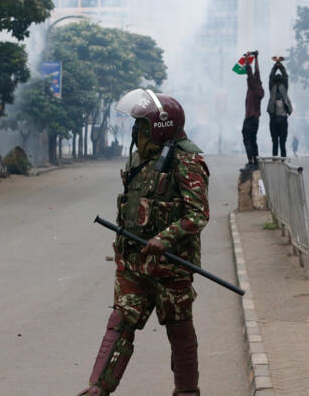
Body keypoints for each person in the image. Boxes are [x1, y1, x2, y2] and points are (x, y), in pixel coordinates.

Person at [78, 89, 209, 396]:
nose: (136, 132)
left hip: (171, 268)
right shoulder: (139, 160)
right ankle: (98, 388)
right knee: (119, 323)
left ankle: (187, 392)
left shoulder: (187, 161)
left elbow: (198, 215)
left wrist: (165, 239)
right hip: (133, 263)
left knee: (179, 330)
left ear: (160, 127)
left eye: (142, 126)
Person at [242, 51, 264, 169]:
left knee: (246, 138)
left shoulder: (253, 87)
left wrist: (246, 58)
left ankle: (250, 161)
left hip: (250, 117)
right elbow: (257, 72)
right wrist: (256, 58)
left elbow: (249, 72)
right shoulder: (259, 88)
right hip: (256, 118)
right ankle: (256, 160)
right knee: (253, 139)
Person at [267, 57, 292, 157]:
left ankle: (280, 159)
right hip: (276, 118)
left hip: (279, 119)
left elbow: (273, 77)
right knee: (278, 142)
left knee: (279, 142)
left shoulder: (278, 88)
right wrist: (278, 66)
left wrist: (278, 65)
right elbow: (284, 76)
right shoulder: (281, 88)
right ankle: (278, 158)